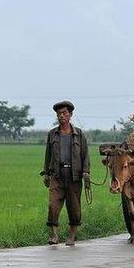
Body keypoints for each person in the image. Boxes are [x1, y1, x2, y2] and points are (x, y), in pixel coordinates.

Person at [41, 101, 90, 246]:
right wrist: (46, 173)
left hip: (74, 175)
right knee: (53, 205)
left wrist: (86, 172)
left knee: (74, 207)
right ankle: (54, 235)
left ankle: (71, 236)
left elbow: (85, 155)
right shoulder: (52, 134)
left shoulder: (79, 134)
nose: (61, 116)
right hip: (56, 174)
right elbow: (48, 155)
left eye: (64, 113)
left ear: (70, 115)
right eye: (59, 114)